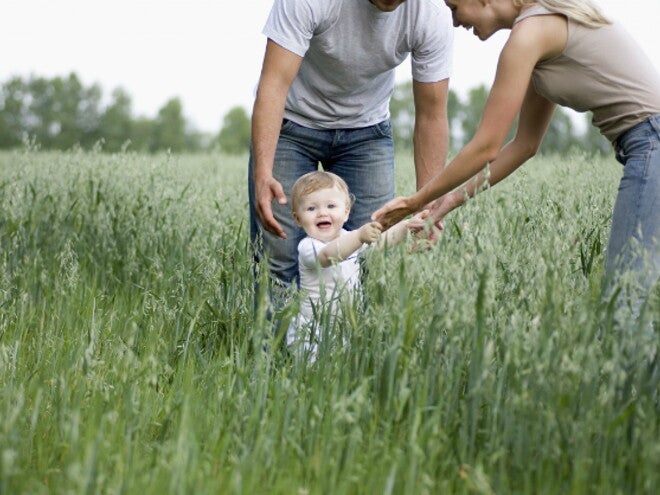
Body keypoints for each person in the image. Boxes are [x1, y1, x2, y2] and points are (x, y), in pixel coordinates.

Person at [373, 0, 660, 322]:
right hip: (646, 146)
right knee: (631, 294)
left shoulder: (529, 34)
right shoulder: (538, 41)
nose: (454, 22)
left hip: (652, 143)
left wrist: (415, 201)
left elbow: (486, 146)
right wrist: (449, 201)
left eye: (454, 7)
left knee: (626, 298)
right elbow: (524, 145)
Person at [249, 0, 454, 302]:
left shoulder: (430, 16)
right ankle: (278, 349)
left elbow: (432, 113)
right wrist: (263, 171)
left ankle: (353, 347)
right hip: (292, 125)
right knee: (280, 262)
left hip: (367, 133)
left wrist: (428, 202)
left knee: (372, 258)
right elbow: (274, 84)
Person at [287, 171, 426, 359]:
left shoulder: (348, 237)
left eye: (331, 206)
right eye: (311, 208)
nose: (322, 213)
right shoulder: (308, 247)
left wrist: (407, 226)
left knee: (344, 367)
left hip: (345, 326)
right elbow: (329, 255)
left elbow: (380, 243)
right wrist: (360, 236)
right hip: (314, 331)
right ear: (297, 219)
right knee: (316, 374)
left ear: (346, 213)